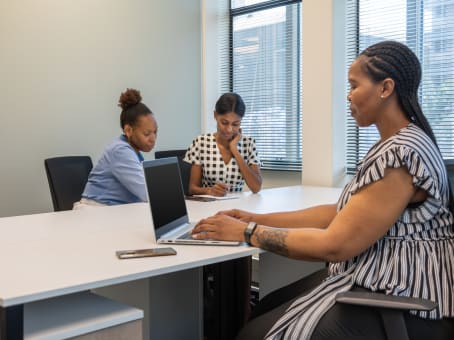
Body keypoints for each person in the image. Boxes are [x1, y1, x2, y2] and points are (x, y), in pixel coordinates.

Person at [191, 41, 454, 339]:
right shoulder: (397, 144)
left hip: (403, 293)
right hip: (382, 278)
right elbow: (338, 213)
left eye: (354, 85)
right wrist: (253, 218)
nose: (348, 95)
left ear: (385, 88)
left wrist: (247, 232)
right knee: (266, 307)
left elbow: (334, 245)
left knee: (253, 333)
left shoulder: (401, 154)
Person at [74, 88, 157, 208]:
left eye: (155, 132)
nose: (153, 138)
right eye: (147, 133)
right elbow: (147, 192)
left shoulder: (134, 153)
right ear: (128, 130)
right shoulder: (120, 151)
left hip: (113, 212)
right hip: (96, 212)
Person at [184, 92, 262, 196]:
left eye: (235, 124)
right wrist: (209, 190)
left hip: (238, 208)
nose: (229, 129)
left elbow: (256, 188)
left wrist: (234, 149)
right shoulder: (201, 142)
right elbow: (192, 189)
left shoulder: (248, 144)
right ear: (215, 116)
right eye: (224, 123)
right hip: (208, 206)